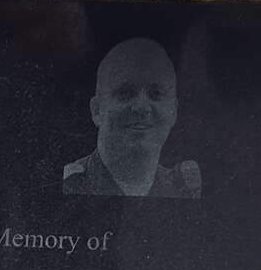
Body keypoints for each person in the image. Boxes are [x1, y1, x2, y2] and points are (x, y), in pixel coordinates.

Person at [63, 38, 201, 198]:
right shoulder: (70, 185)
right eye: (125, 93)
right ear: (96, 110)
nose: (141, 108)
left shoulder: (184, 191)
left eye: (155, 94)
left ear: (173, 112)